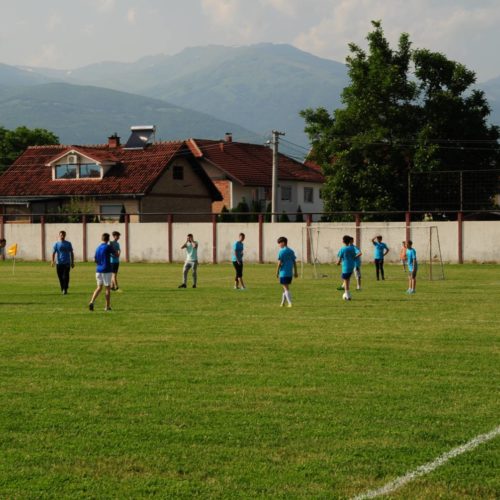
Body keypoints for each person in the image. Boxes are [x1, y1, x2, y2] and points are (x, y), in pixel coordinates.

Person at [88, 233, 116, 311]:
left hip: (98, 270)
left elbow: (95, 260)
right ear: (108, 239)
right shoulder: (108, 246)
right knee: (107, 288)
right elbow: (116, 254)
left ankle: (91, 301)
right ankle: (107, 306)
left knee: (99, 287)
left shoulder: (98, 248)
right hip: (106, 270)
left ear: (102, 239)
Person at [337, 235, 361, 300]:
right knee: (348, 279)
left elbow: (340, 257)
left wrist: (338, 263)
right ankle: (347, 293)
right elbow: (354, 255)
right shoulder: (352, 248)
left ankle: (347, 295)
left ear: (343, 241)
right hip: (352, 265)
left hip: (345, 267)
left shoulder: (342, 249)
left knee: (346, 281)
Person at [276, 236, 298, 307]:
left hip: (283, 272)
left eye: (279, 243)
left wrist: (277, 272)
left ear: (283, 243)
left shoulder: (281, 252)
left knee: (286, 288)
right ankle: (282, 303)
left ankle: (290, 303)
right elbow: (294, 262)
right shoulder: (291, 251)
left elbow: (279, 263)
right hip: (289, 273)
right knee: (284, 288)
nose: (279, 245)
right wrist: (296, 272)